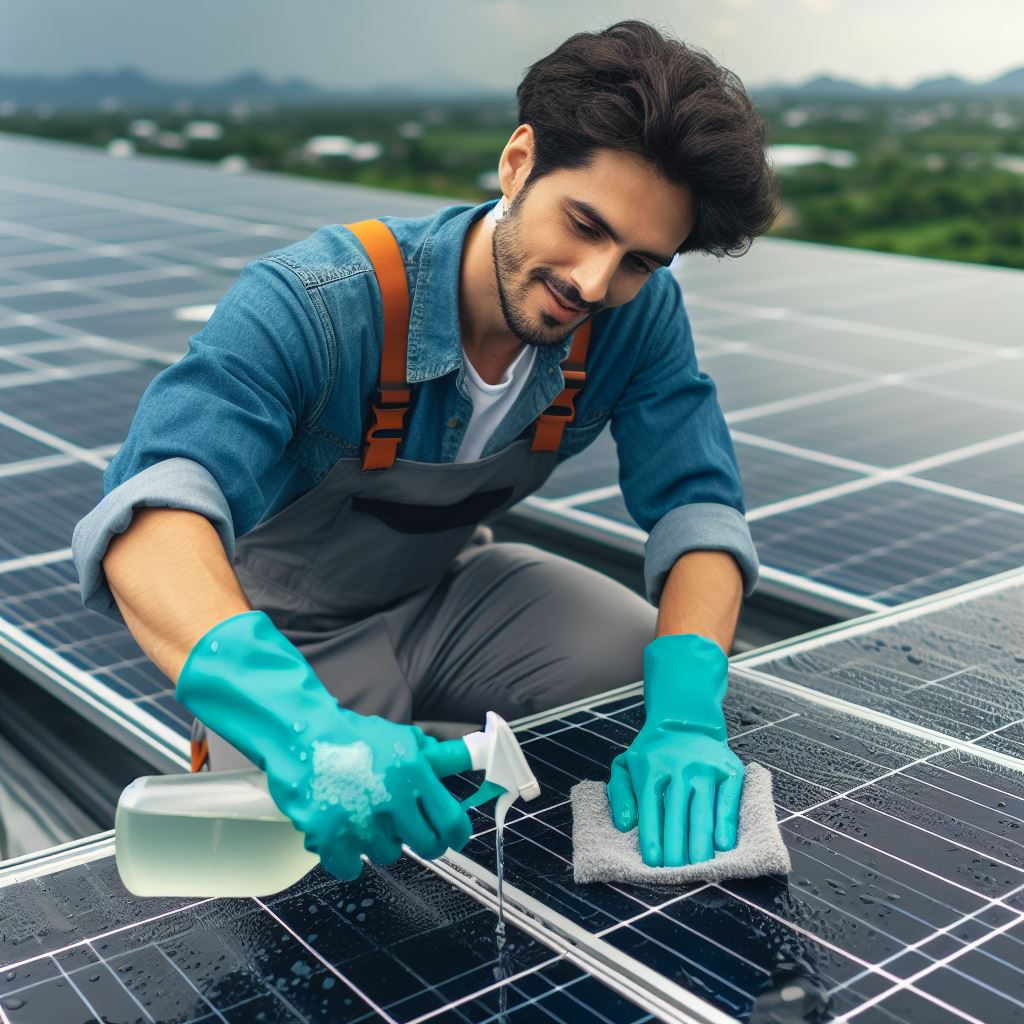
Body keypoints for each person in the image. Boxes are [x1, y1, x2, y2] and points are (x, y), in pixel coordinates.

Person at [72, 20, 779, 880]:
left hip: (448, 595)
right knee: (320, 860)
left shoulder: (635, 315)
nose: (593, 284)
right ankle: (370, 744)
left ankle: (443, 749)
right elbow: (151, 516)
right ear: (518, 161)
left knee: (664, 678)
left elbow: (697, 507)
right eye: (583, 224)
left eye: (637, 261)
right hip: (290, 641)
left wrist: (686, 723)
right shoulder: (317, 303)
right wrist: (305, 730)